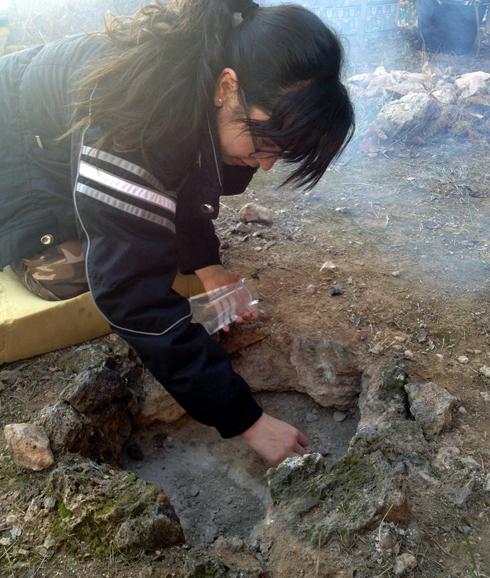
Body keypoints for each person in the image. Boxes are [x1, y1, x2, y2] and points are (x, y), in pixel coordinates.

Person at [0, 0, 354, 465]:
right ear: (228, 86)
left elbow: (181, 173)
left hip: (64, 142)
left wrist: (205, 264)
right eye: (266, 141)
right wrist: (245, 418)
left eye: (281, 153)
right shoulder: (137, 115)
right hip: (15, 146)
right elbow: (131, 296)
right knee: (75, 269)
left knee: (142, 221)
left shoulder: (204, 84)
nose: (267, 162)